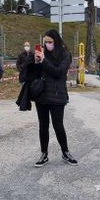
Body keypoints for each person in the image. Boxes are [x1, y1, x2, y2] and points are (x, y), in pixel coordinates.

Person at [28, 29, 78, 167]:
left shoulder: (65, 55)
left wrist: (44, 61)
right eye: (45, 42)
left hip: (57, 95)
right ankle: (44, 154)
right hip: (41, 95)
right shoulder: (43, 53)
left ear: (56, 41)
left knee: (58, 125)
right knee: (43, 125)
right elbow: (35, 73)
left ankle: (65, 152)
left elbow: (58, 73)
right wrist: (36, 62)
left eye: (50, 42)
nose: (47, 44)